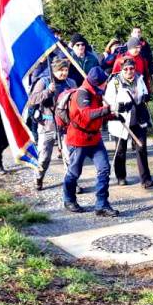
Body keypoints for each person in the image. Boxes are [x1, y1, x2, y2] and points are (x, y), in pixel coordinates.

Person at [63, 66, 118, 217]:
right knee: (74, 172)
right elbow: (87, 115)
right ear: (97, 83)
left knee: (104, 168)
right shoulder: (82, 94)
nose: (105, 84)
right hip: (78, 139)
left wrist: (114, 115)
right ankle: (68, 199)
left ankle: (101, 204)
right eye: (104, 83)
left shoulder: (96, 93)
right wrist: (108, 109)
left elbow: (98, 115)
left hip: (94, 138)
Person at [27, 57, 77, 190]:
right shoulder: (43, 81)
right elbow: (32, 99)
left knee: (70, 156)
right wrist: (48, 91)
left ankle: (71, 183)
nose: (64, 73)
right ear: (54, 70)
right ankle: (38, 177)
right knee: (44, 157)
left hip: (66, 125)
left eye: (66, 70)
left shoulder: (71, 83)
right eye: (61, 70)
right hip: (47, 125)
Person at [105, 56, 153, 188]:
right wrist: (117, 107)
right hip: (121, 121)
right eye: (126, 69)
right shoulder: (114, 82)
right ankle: (121, 176)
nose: (129, 71)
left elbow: (143, 94)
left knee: (142, 148)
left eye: (131, 68)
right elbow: (108, 101)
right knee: (121, 149)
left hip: (138, 119)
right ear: (122, 69)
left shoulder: (140, 79)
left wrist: (145, 97)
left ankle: (146, 179)